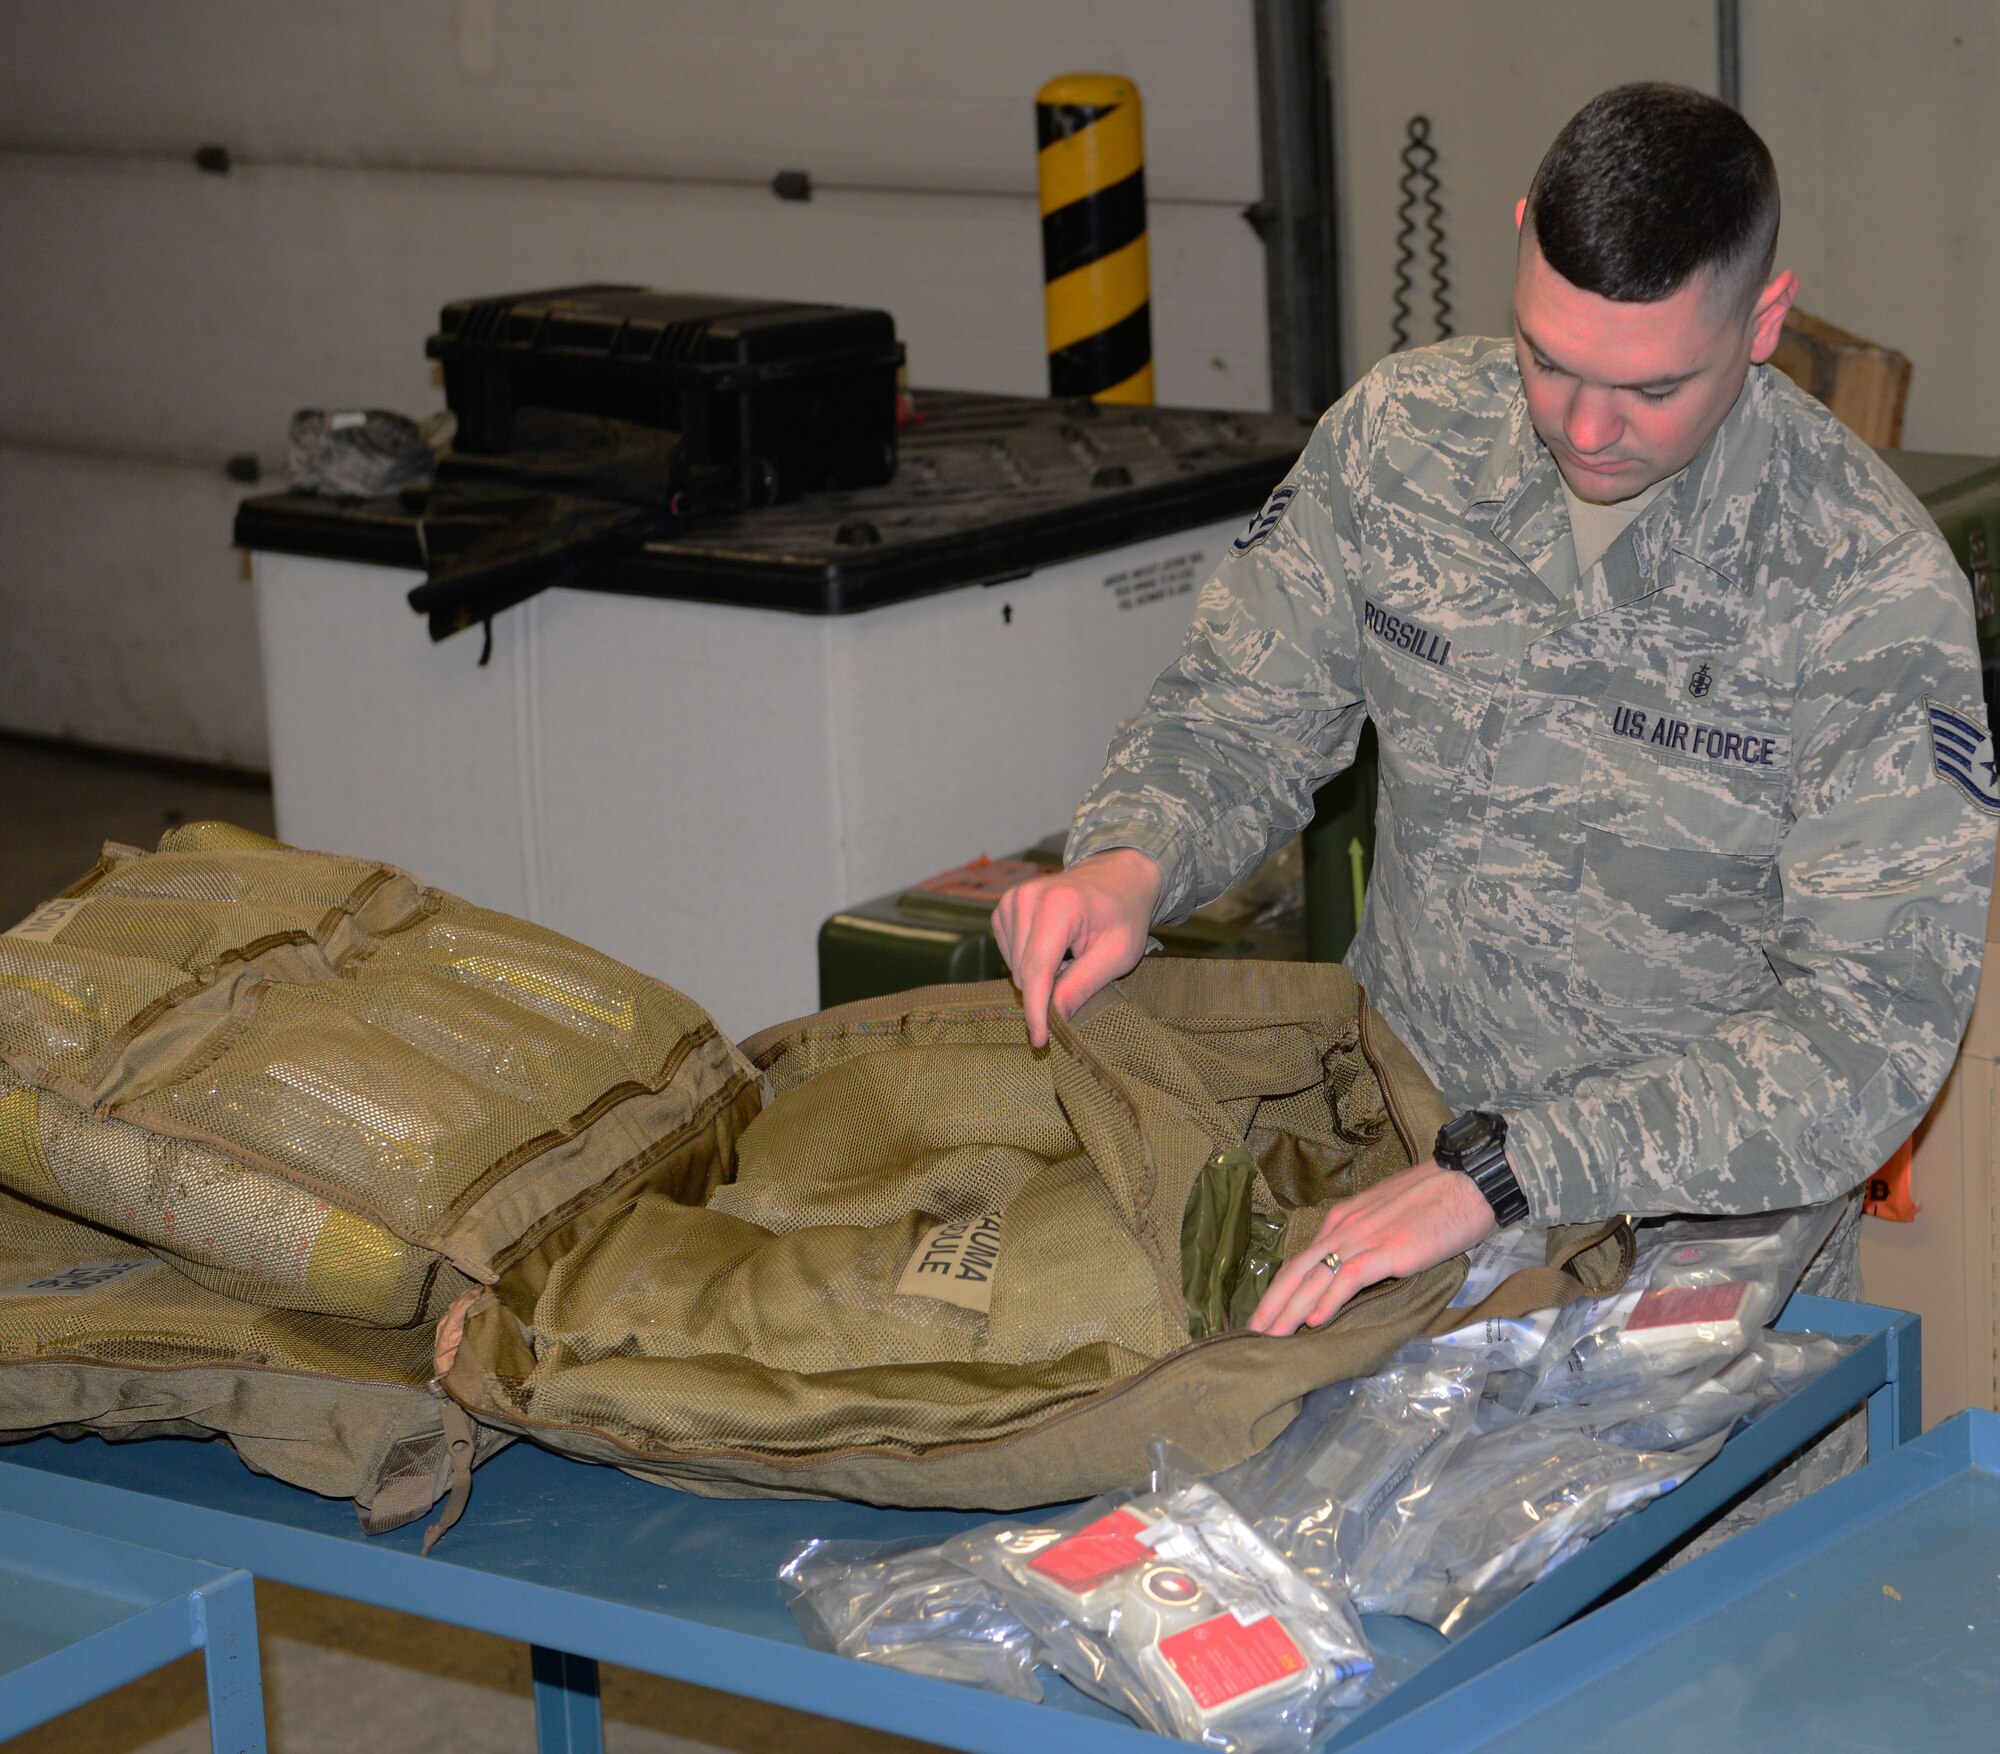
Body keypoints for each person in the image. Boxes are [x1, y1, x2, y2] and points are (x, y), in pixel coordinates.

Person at [994, 84, 1995, 1369]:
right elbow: (1235, 711)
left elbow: (1866, 1039)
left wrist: (1510, 1172)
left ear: (1764, 320)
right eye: (1545, 359)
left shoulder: (1863, 586)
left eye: (1649, 387)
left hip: (1692, 1290)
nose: (1583, 429)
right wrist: (1131, 857)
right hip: (1381, 1219)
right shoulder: (1396, 446)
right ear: (1517, 238)